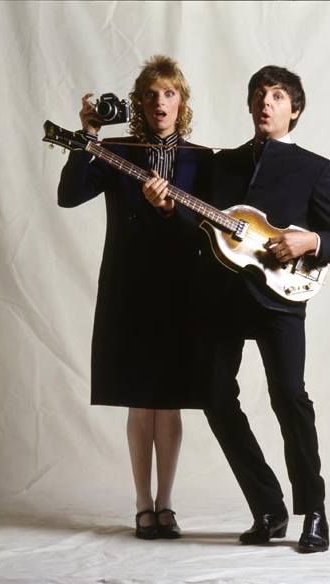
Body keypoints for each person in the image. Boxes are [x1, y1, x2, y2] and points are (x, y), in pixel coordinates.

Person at [144, 65, 330, 553]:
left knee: (290, 400)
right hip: (219, 301)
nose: (267, 102)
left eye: (278, 96)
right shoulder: (222, 164)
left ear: (294, 110)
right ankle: (268, 507)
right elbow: (197, 235)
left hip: (281, 302)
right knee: (215, 398)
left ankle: (314, 512)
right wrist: (164, 208)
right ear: (249, 105)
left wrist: (311, 239)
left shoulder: (315, 168)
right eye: (260, 94)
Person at [57, 55, 211, 540]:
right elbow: (69, 194)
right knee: (140, 402)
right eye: (150, 94)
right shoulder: (117, 150)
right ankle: (142, 506)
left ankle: (166, 505)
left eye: (168, 93)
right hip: (130, 286)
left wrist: (170, 212)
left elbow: (216, 224)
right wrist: (89, 138)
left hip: (184, 289)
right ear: (138, 105)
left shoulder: (203, 159)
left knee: (170, 402)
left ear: (181, 102)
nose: (159, 102)